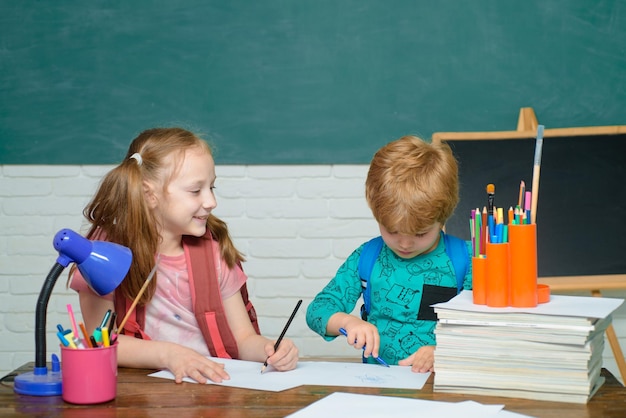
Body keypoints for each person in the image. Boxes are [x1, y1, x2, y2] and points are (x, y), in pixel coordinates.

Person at [70, 127, 299, 383]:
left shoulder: (213, 252)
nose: (211, 201)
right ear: (149, 195)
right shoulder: (102, 254)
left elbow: (243, 339)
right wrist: (169, 355)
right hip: (139, 394)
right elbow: (99, 340)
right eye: (195, 190)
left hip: (213, 390)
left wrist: (270, 350)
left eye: (212, 187)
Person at [306, 135, 471, 373]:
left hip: (444, 386)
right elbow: (318, 311)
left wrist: (444, 350)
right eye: (392, 231)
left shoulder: (467, 261)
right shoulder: (367, 258)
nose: (404, 243)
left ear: (443, 217)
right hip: (379, 386)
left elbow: (486, 329)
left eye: (420, 233)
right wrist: (348, 322)